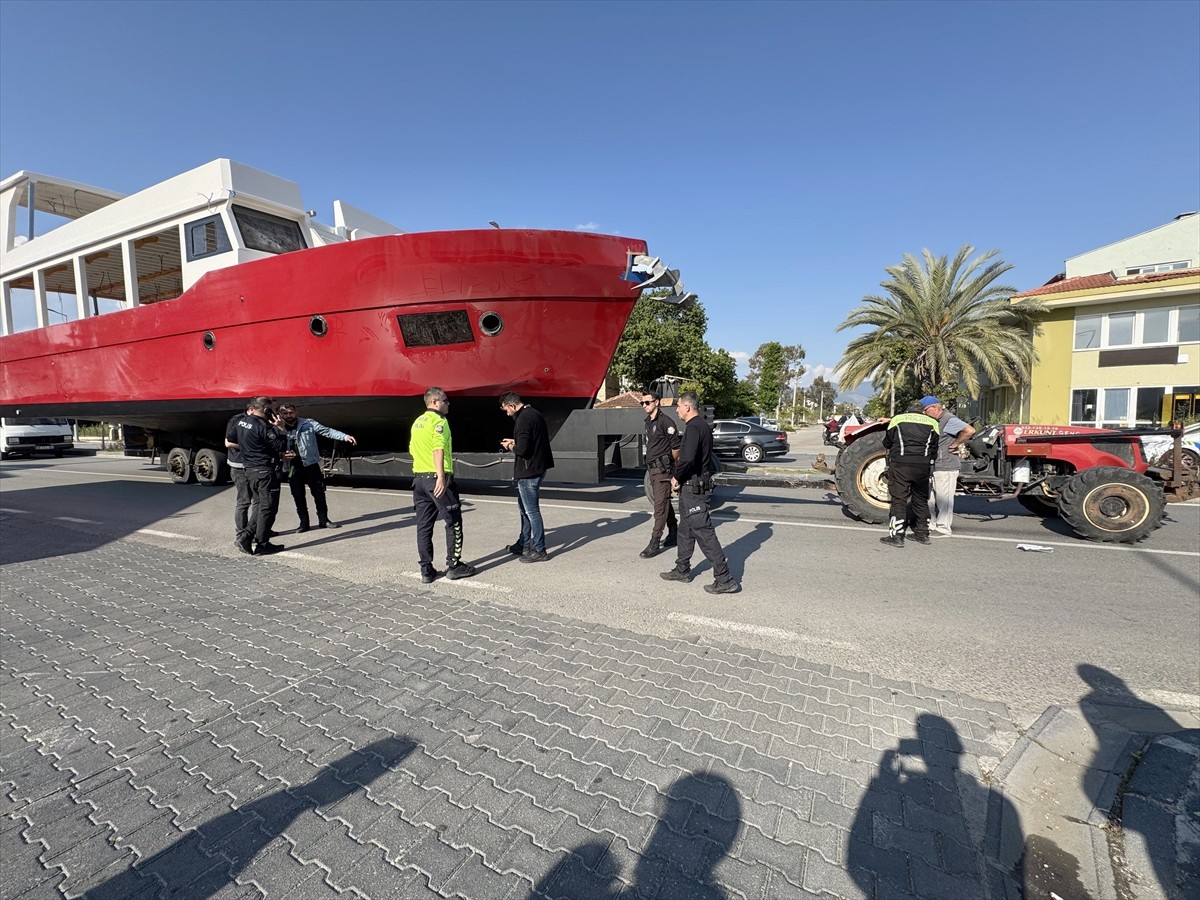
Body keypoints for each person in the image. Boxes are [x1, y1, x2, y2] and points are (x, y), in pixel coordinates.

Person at [660, 392, 739, 594]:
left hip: (694, 489)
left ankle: (725, 579)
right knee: (685, 531)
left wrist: (676, 477)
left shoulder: (694, 427)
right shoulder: (700, 425)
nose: (676, 410)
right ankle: (682, 569)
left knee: (704, 533)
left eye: (678, 406)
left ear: (687, 407)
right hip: (691, 488)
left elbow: (687, 459)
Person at [409, 387, 476, 584]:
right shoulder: (439, 421)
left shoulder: (417, 422)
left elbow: (412, 449)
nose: (448, 404)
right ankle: (454, 566)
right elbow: (438, 449)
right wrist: (440, 477)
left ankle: (426, 570)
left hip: (419, 480)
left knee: (423, 526)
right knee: (453, 521)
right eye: (445, 400)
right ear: (435, 402)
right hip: (436, 479)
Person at [277, 403, 357, 532]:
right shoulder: (277, 427)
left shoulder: (308, 423)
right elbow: (271, 445)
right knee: (298, 496)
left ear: (296, 412)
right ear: (280, 414)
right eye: (285, 413)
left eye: (291, 412)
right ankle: (304, 523)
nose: (288, 416)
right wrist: (281, 455)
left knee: (319, 493)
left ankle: (324, 520)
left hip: (310, 464)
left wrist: (344, 436)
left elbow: (327, 431)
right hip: (292, 467)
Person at [499, 391, 554, 562]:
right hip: (538, 467)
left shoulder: (522, 419)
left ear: (512, 405)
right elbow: (533, 441)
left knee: (531, 511)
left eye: (506, 409)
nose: (507, 413)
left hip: (528, 471)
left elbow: (523, 450)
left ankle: (539, 549)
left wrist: (510, 446)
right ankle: (523, 543)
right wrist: (515, 441)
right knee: (525, 510)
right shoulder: (535, 414)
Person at [879, 400, 939, 548]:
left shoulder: (898, 419)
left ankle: (897, 536)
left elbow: (887, 442)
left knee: (899, 500)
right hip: (922, 466)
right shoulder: (933, 422)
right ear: (923, 411)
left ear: (908, 410)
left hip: (901, 465)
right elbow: (934, 447)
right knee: (921, 500)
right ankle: (922, 534)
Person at [236, 396, 288, 555]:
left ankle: (247, 537)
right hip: (265, 471)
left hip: (250, 470)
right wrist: (281, 429)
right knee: (268, 508)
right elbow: (280, 447)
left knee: (259, 506)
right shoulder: (263, 427)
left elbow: (232, 439)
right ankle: (261, 544)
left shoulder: (241, 422)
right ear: (266, 410)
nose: (275, 413)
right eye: (272, 410)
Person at [921, 396, 976, 536]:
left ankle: (943, 528)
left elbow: (969, 430)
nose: (924, 413)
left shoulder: (949, 419)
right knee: (930, 498)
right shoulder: (935, 420)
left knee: (943, 499)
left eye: (926, 410)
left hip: (946, 465)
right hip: (934, 465)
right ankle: (931, 524)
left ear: (935, 407)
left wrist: (955, 444)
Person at [639, 389, 680, 558]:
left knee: (659, 507)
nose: (644, 405)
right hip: (652, 469)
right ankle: (674, 532)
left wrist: (672, 465)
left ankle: (655, 542)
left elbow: (676, 447)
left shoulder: (666, 422)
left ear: (656, 402)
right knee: (663, 502)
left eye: (647, 402)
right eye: (642, 403)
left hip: (663, 470)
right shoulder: (648, 421)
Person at [224, 401, 255, 552]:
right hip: (239, 465)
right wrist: (250, 447)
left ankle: (254, 530)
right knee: (244, 501)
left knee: (258, 502)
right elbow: (228, 443)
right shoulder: (236, 420)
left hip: (253, 465)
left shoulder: (257, 420)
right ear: (251, 409)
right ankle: (241, 535)